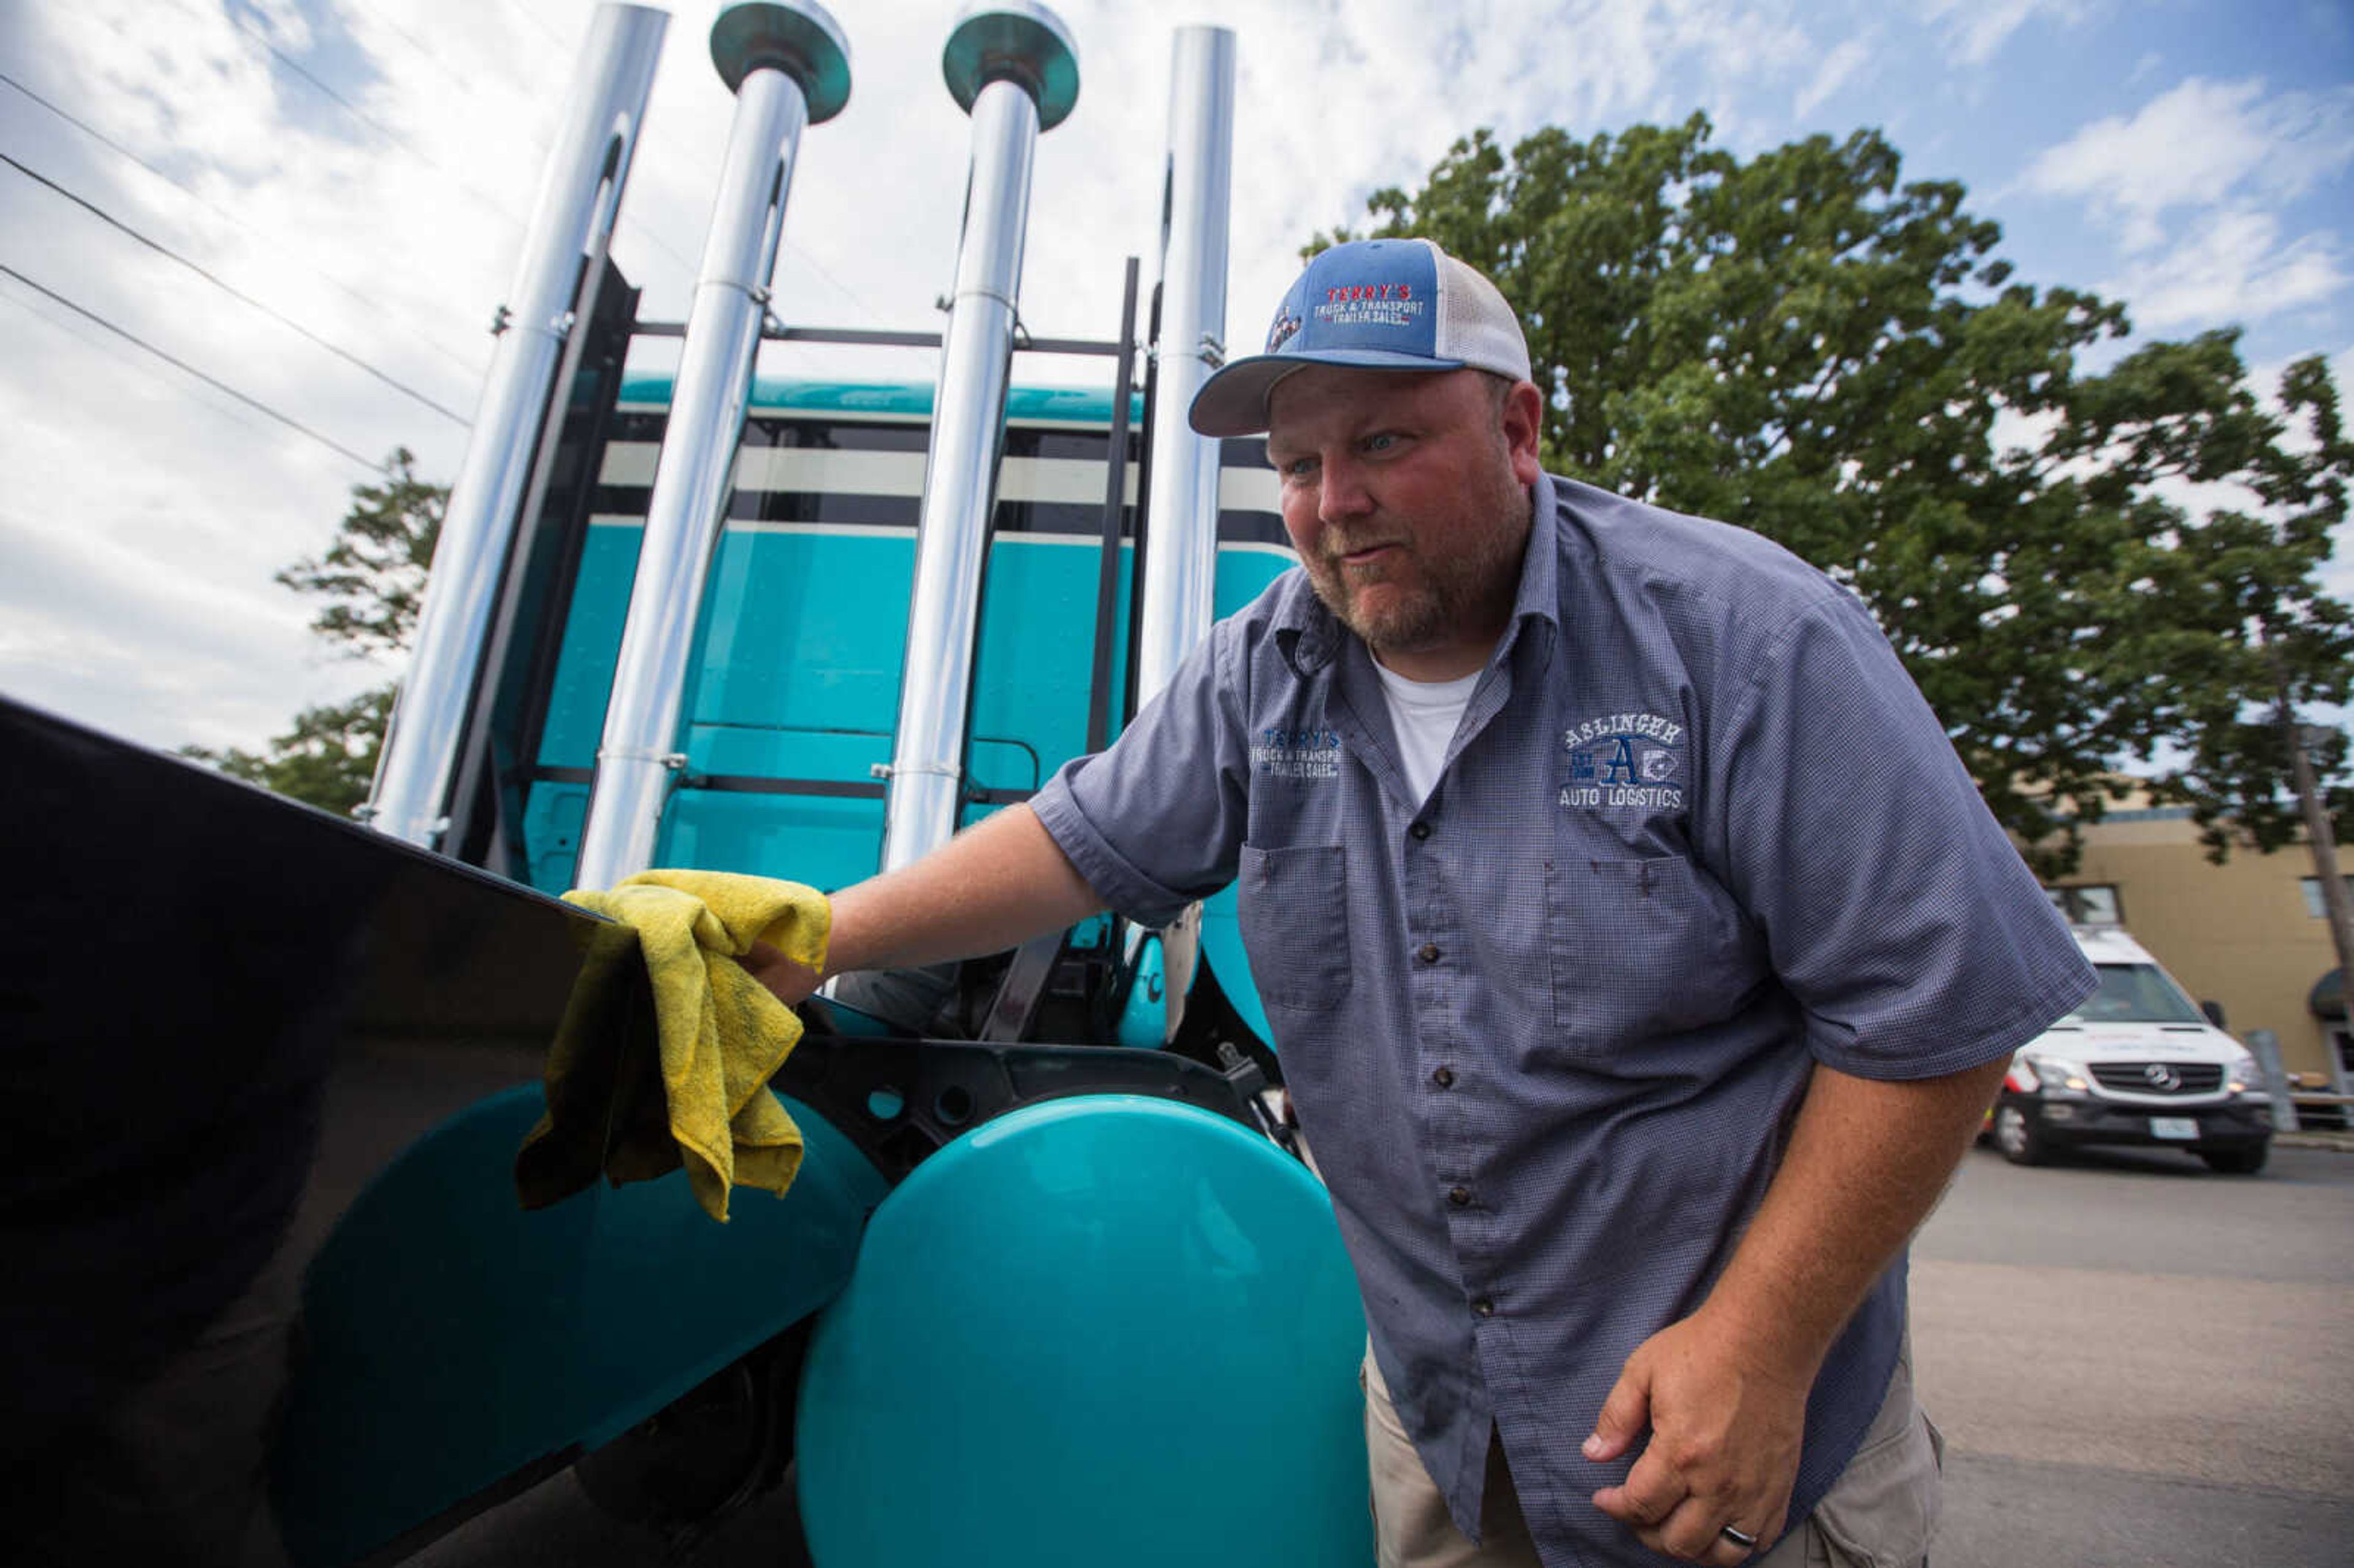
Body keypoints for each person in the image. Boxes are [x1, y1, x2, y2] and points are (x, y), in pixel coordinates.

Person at [745, 237, 2094, 1568]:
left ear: (1518, 428)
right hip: (1446, 1433)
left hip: (1724, 1437)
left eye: (1385, 442)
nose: (1334, 500)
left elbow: (1944, 1016)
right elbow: (1079, 840)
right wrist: (810, 937)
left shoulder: (1743, 640)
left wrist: (1766, 1338)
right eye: (1295, 465)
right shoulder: (1263, 668)